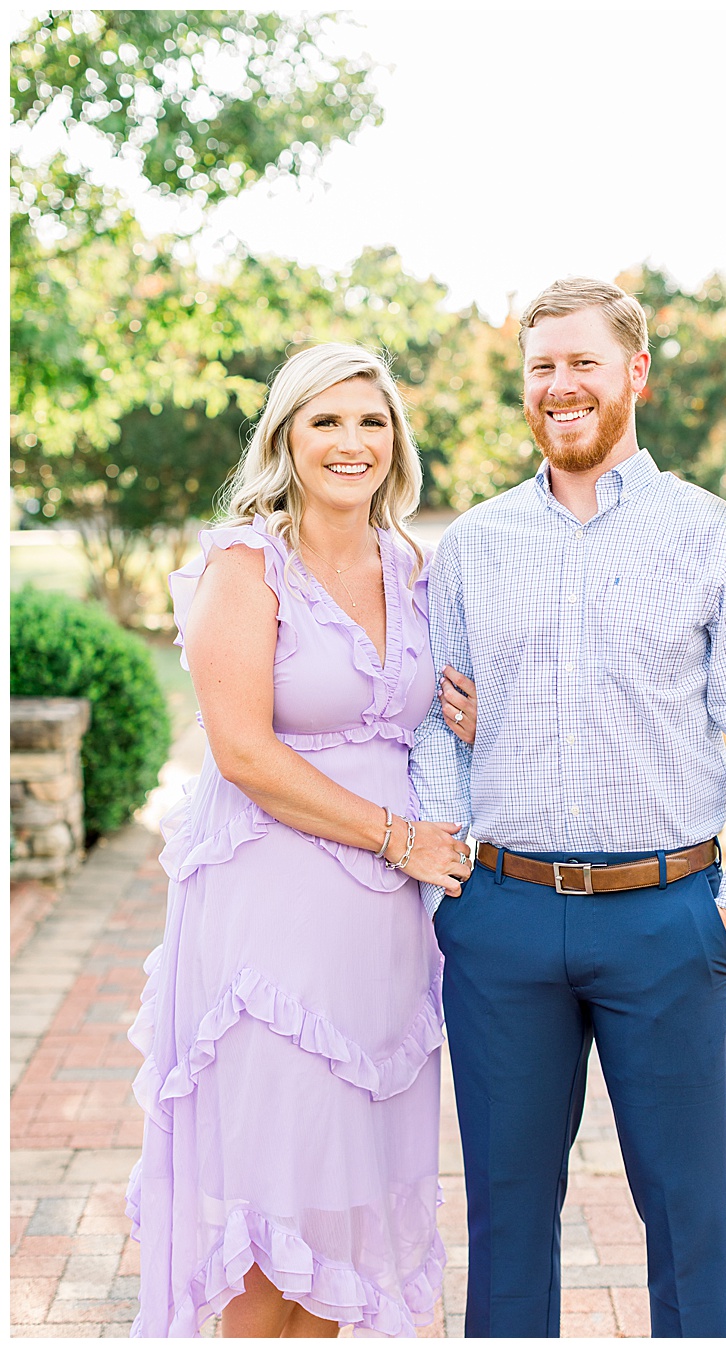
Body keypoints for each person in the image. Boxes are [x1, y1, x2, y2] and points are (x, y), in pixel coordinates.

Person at [411, 276, 726, 1338]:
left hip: (669, 920)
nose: (561, 385)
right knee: (505, 1226)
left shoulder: (722, 539)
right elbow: (434, 722)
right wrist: (451, 885)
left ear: (635, 371)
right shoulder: (473, 546)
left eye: (583, 362)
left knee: (692, 1224)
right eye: (541, 365)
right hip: (502, 918)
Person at [128, 343, 479, 1336]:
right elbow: (242, 751)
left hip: (382, 934)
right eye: (326, 421)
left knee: (337, 1220)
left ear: (396, 441)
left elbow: (421, 719)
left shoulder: (415, 567)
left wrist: (465, 713)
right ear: (285, 437)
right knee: (266, 1215)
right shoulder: (246, 566)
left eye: (372, 421)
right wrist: (399, 838)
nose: (350, 442)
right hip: (272, 924)